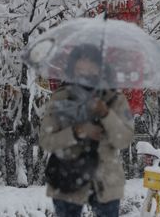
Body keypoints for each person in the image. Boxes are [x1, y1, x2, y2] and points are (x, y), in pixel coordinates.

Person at [39, 44, 134, 217]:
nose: (86, 75)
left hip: (106, 180)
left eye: (91, 69)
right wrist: (77, 131)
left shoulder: (114, 99)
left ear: (100, 69)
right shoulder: (61, 97)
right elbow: (46, 140)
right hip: (67, 177)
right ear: (72, 70)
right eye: (80, 70)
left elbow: (124, 139)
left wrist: (106, 114)